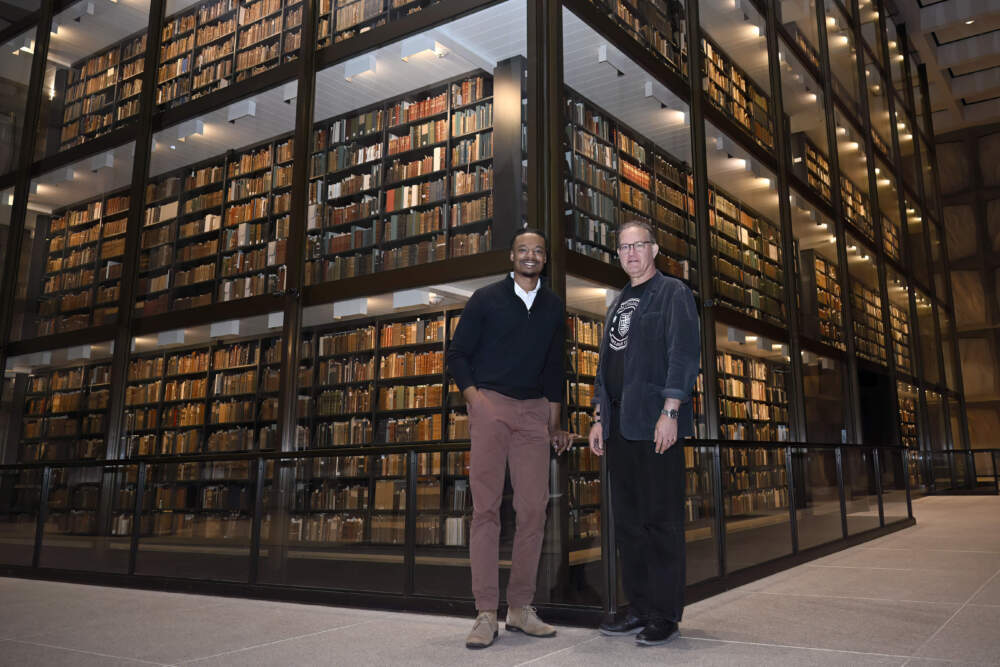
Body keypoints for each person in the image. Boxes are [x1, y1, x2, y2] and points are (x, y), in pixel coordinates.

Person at [447, 228, 574, 650]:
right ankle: (485, 612)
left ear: (545, 260)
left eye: (539, 250)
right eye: (524, 249)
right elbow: (457, 355)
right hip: (491, 405)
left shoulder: (555, 306)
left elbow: (556, 368)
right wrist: (476, 401)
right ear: (512, 256)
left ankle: (520, 608)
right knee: (485, 510)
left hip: (534, 412)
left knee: (534, 510)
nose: (531, 255)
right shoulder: (486, 299)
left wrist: (554, 424)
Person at [588, 220, 701, 646]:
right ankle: (638, 608)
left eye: (639, 245)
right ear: (617, 255)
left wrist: (670, 410)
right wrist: (599, 418)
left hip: (656, 426)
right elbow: (605, 369)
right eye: (623, 247)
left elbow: (684, 354)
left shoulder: (673, 293)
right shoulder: (617, 304)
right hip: (620, 428)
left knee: (661, 522)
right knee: (629, 524)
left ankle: (665, 615)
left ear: (654, 249)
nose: (631, 253)